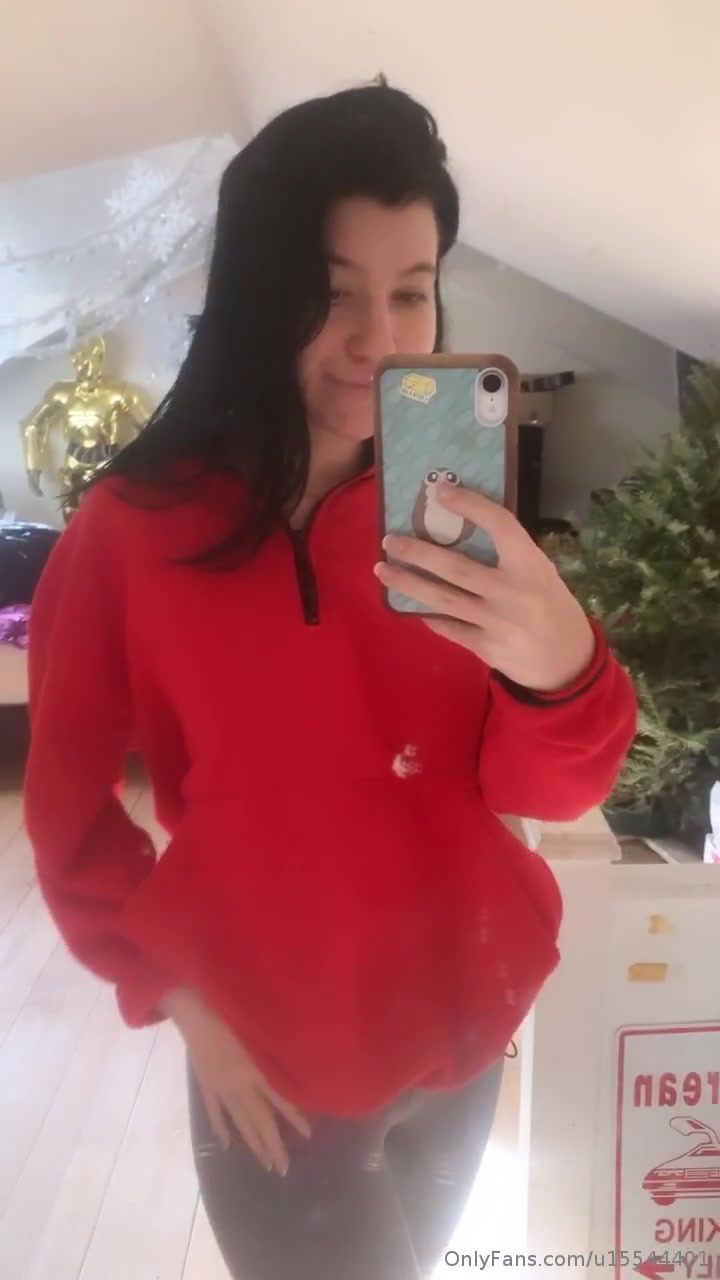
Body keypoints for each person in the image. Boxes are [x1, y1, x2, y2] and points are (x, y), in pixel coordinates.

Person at [24, 80, 636, 1280]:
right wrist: (179, 998)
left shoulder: (452, 518)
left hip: (462, 1028)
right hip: (273, 1064)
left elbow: (549, 790)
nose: (380, 341)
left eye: (411, 290)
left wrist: (561, 665)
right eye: (332, 290)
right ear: (258, 293)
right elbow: (66, 811)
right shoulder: (131, 533)